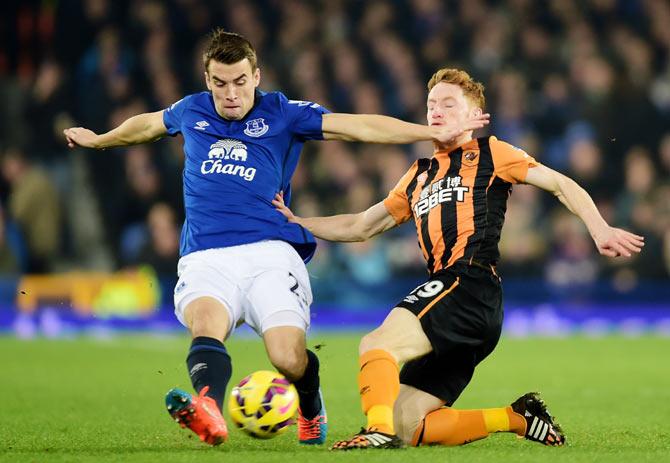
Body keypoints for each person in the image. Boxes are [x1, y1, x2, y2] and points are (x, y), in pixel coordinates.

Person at [63, 31, 489, 447]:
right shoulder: (190, 110)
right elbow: (147, 125)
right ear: (207, 80)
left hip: (270, 252)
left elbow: (357, 126)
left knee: (287, 357)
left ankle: (308, 401)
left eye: (240, 82)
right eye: (220, 83)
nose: (230, 93)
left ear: (257, 76)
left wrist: (428, 133)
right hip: (205, 253)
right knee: (206, 326)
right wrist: (102, 140)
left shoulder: (283, 113)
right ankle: (209, 407)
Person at [273, 67, 644, 450]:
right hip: (462, 305)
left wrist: (600, 229)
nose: (436, 111)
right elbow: (361, 225)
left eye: (449, 104)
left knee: (376, 345)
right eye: (432, 104)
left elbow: (561, 184)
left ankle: (375, 432)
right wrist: (298, 223)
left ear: (473, 115)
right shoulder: (418, 174)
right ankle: (516, 417)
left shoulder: (492, 152)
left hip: (468, 283)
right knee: (409, 424)